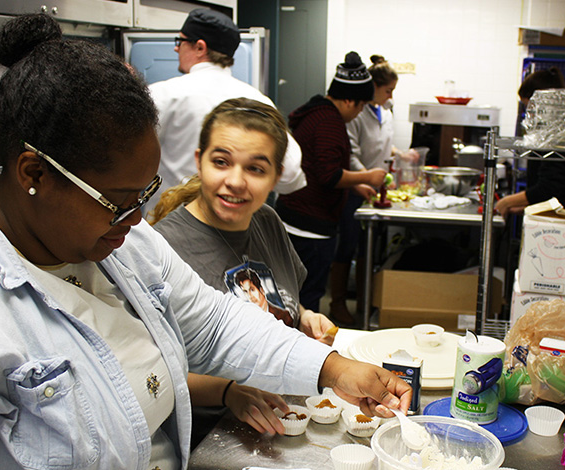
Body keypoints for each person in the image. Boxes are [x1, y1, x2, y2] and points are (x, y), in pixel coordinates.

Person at [0, 15, 411, 470]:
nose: (136, 219)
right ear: (33, 173)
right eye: (118, 200)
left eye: (145, 193)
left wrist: (334, 368)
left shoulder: (115, 237)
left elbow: (212, 323)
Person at [150, 98, 336, 441]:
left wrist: (305, 317)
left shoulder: (266, 221)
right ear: (199, 161)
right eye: (221, 162)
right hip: (208, 438)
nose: (235, 181)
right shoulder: (163, 247)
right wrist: (228, 392)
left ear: (276, 177)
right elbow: (153, 371)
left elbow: (281, 298)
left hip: (284, 420)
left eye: (255, 168)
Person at [146, 8, 306, 213]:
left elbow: (126, 161)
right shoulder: (257, 101)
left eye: (180, 41)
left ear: (200, 47)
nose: (176, 49)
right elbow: (292, 175)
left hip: (169, 224)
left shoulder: (163, 94)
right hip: (235, 227)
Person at [275, 51, 388, 312]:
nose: (359, 112)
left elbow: (320, 168)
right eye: (360, 106)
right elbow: (329, 175)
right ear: (349, 100)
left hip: (297, 218)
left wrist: (356, 184)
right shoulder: (329, 122)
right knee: (308, 297)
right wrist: (367, 176)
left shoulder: (316, 113)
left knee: (297, 294)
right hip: (309, 225)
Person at [329, 55, 400, 325]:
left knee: (367, 250)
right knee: (347, 245)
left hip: (373, 186)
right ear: (372, 90)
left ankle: (365, 302)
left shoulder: (386, 111)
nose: (391, 96)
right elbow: (352, 154)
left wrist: (399, 155)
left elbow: (381, 144)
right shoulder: (356, 115)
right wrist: (366, 177)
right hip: (354, 188)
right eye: (388, 90)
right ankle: (337, 304)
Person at [495, 67, 565, 216]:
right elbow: (560, 191)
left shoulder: (556, 134)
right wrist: (523, 208)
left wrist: (506, 202)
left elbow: (549, 187)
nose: (529, 115)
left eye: (529, 108)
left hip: (561, 220)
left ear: (543, 102)